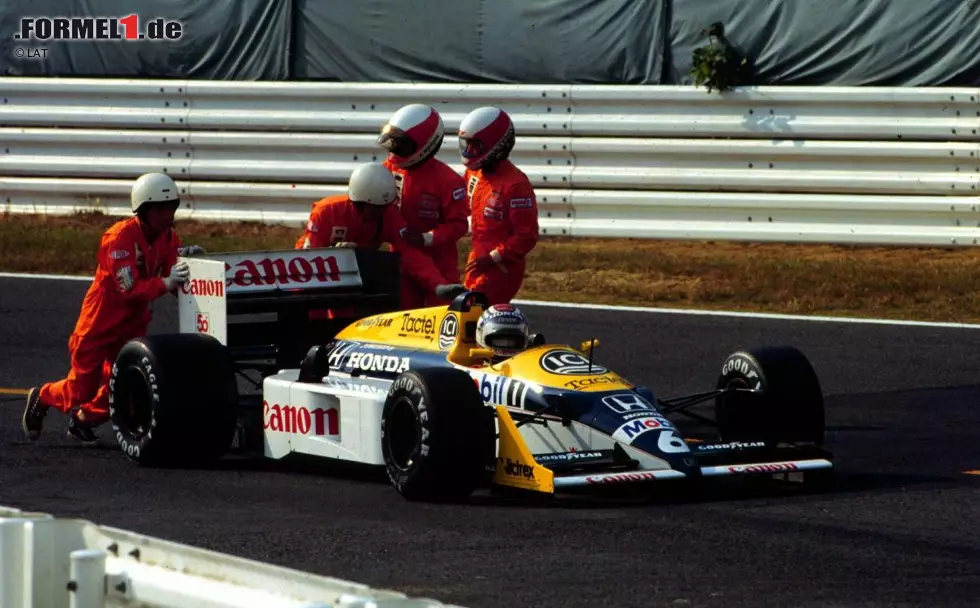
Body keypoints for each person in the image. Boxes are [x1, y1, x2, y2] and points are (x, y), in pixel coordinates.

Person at [22, 172, 202, 444]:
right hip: (99, 324)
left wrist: (192, 264)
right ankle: (43, 396)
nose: (167, 215)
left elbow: (172, 275)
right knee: (80, 389)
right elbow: (128, 289)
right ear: (142, 210)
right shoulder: (118, 238)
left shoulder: (169, 239)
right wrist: (166, 282)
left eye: (171, 207)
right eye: (160, 209)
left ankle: (83, 420)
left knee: (122, 383)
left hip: (132, 325)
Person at [296, 162, 461, 305]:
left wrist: (438, 285)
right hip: (317, 278)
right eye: (375, 208)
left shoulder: (388, 214)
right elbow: (309, 259)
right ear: (359, 203)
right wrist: (336, 254)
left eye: (385, 206)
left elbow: (411, 254)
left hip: (359, 278)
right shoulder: (326, 212)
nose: (380, 212)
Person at [378, 104, 469, 308]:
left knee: (444, 318)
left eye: (401, 145)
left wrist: (426, 238)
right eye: (393, 143)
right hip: (401, 262)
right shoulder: (386, 169)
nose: (394, 151)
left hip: (440, 265)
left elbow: (459, 225)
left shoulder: (449, 181)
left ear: (425, 145)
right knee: (401, 319)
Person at [457, 106, 540, 306]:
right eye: (466, 144)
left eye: (474, 146)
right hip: (477, 258)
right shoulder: (473, 174)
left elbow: (526, 236)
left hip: (502, 267)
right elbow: (461, 208)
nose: (468, 151)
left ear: (495, 145)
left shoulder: (516, 185)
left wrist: (493, 258)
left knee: (471, 313)